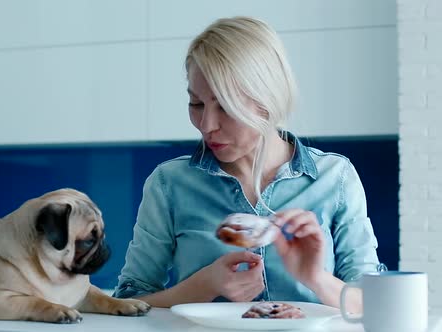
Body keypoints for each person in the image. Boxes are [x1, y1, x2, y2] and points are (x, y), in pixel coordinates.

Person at [112, 16, 381, 311]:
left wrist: (316, 278)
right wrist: (203, 286)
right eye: (196, 104)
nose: (206, 124)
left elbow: (374, 305)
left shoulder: (336, 179)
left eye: (226, 106)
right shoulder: (168, 184)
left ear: (268, 99)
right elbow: (127, 303)